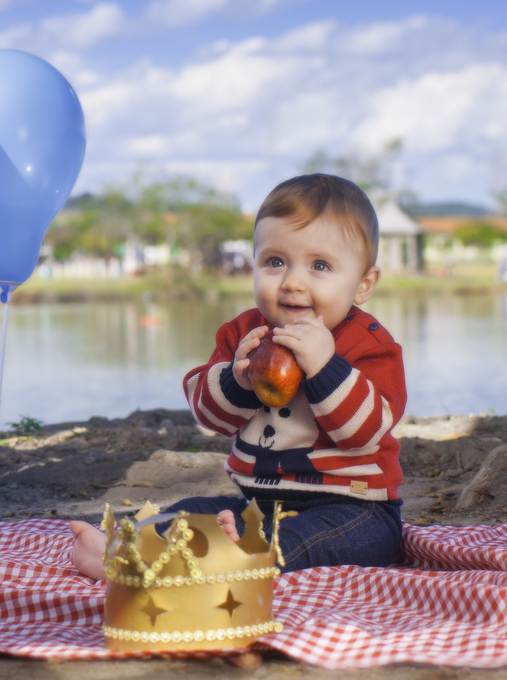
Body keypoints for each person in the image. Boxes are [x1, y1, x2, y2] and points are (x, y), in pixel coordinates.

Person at [71, 174, 406, 577]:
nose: (292, 282)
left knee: (299, 542)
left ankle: (219, 565)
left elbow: (365, 431)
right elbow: (209, 415)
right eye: (275, 262)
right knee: (185, 513)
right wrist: (238, 380)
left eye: (320, 265)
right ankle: (130, 550)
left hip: (353, 510)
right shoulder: (245, 333)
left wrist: (325, 366)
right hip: (256, 506)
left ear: (363, 284)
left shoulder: (368, 344)